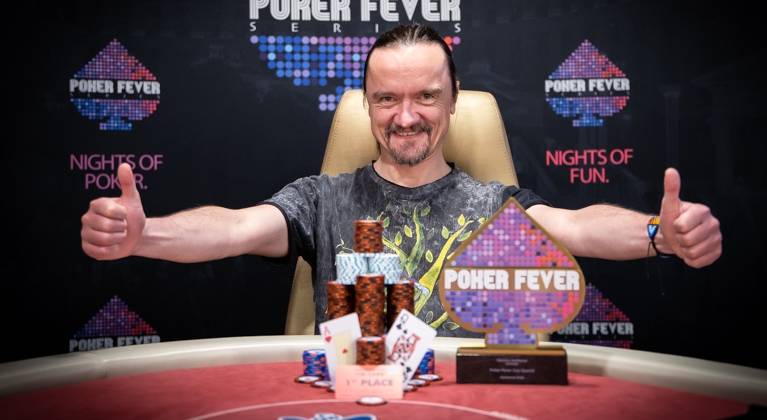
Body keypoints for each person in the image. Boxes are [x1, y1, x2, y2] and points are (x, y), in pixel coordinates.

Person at [80, 24, 722, 336]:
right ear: (367, 104)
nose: (406, 116)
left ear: (453, 100)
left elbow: (578, 227)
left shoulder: (493, 204)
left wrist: (659, 235)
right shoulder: (322, 199)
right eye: (387, 98)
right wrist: (146, 235)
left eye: (425, 97)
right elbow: (235, 227)